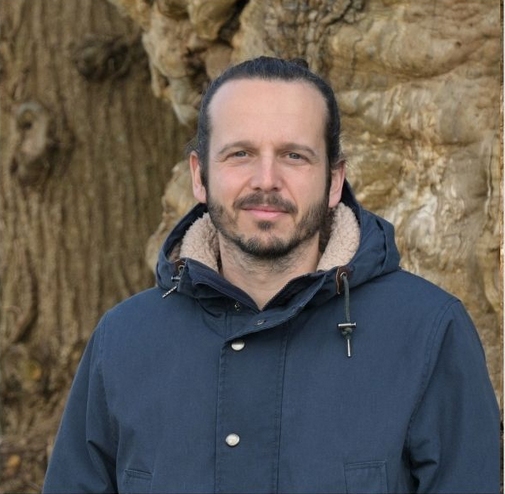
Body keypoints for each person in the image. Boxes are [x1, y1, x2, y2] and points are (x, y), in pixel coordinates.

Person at [43, 56, 500, 494]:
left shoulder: (427, 331)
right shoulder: (124, 340)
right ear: (200, 177)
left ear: (334, 181)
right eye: (240, 153)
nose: (266, 179)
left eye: (294, 155)